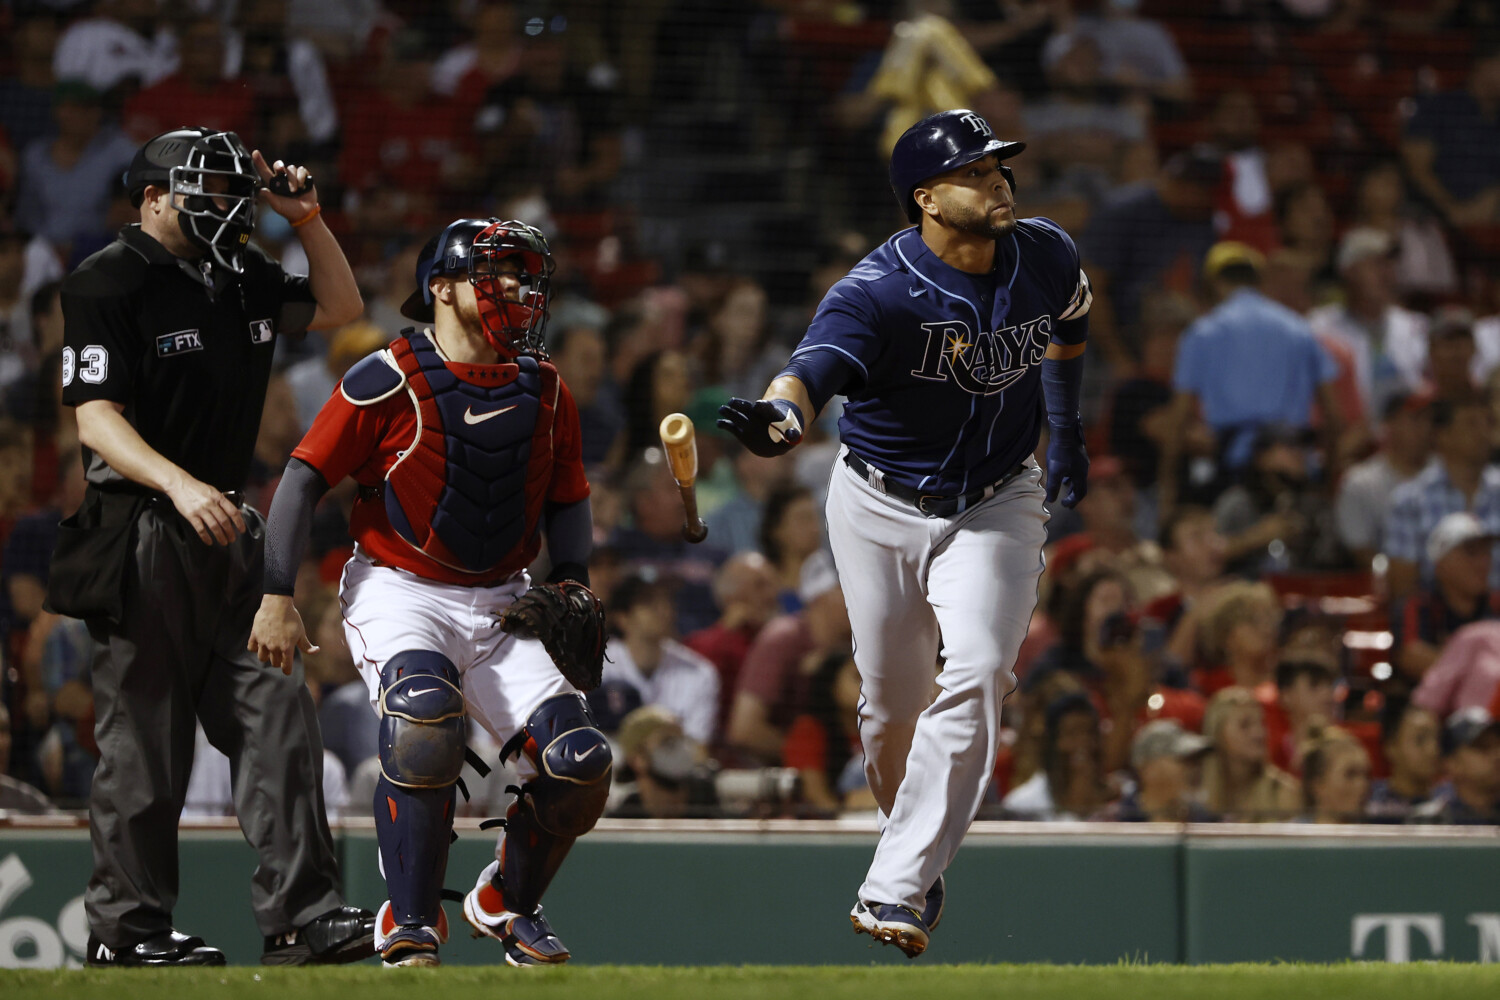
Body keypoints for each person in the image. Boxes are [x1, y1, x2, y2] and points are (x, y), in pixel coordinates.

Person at [717, 108, 1092, 957]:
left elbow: (1071, 322)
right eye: (975, 170)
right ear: (924, 196)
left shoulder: (1045, 252)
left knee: (984, 670)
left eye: (999, 165)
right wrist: (780, 420)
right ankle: (914, 849)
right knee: (890, 712)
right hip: (879, 505)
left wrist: (1064, 429)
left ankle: (895, 884)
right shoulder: (878, 291)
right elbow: (808, 373)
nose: (998, 179)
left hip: (997, 499)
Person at [247, 217, 609, 968]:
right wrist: (275, 591)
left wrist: (572, 583)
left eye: (521, 273)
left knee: (580, 761)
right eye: (496, 272)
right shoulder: (388, 376)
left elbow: (569, 498)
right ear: (441, 289)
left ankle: (506, 901)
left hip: (504, 595)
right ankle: (409, 920)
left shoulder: (545, 388)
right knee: (423, 722)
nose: (516, 287)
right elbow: (302, 476)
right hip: (400, 587)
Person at [48, 127, 369, 968]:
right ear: (153, 198)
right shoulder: (106, 280)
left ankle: (302, 916)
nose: (227, 206)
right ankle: (128, 931)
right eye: (209, 190)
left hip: (230, 531)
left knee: (280, 714)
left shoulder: (239, 277)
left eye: (233, 192)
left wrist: (305, 219)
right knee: (146, 746)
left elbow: (342, 309)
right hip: (143, 529)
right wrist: (176, 483)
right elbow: (94, 416)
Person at [1382, 394, 1500, 601]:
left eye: (1488, 422)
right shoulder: (1410, 500)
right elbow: (1403, 591)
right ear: (1442, 435)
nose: (1484, 433)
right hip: (1438, 626)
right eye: (1472, 424)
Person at [602, 574, 721, 747]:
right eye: (649, 603)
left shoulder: (699, 671)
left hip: (674, 769)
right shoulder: (594, 665)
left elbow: (697, 746)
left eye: (667, 602)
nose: (664, 610)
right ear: (622, 618)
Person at [1392, 512, 1499, 682]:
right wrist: (1479, 668)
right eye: (1471, 552)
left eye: (1486, 552)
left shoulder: (1495, 604)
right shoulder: (1420, 605)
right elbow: (1411, 656)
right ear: (1441, 563)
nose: (1483, 563)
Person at [1200, 687, 1301, 822]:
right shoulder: (1199, 797)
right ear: (1218, 735)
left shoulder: (1282, 794)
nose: (1259, 733)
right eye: (1245, 725)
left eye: (1262, 723)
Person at [1098, 719, 1215, 823]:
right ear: (1148, 769)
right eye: (1184, 760)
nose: (1194, 769)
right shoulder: (1114, 821)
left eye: (1196, 761)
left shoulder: (1205, 821)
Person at [1415, 707, 1500, 825]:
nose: (1497, 755)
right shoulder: (1432, 820)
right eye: (1483, 747)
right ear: (1452, 763)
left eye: (1498, 745)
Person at [1366, 697, 1441, 822]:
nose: (1433, 750)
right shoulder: (1367, 802)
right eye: (1420, 739)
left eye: (1437, 739)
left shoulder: (1449, 803)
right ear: (1391, 747)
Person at [1300, 726, 1371, 824]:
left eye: (1366, 775)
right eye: (1350, 774)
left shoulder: (1378, 836)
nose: (1362, 785)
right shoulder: (1288, 836)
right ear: (1318, 785)